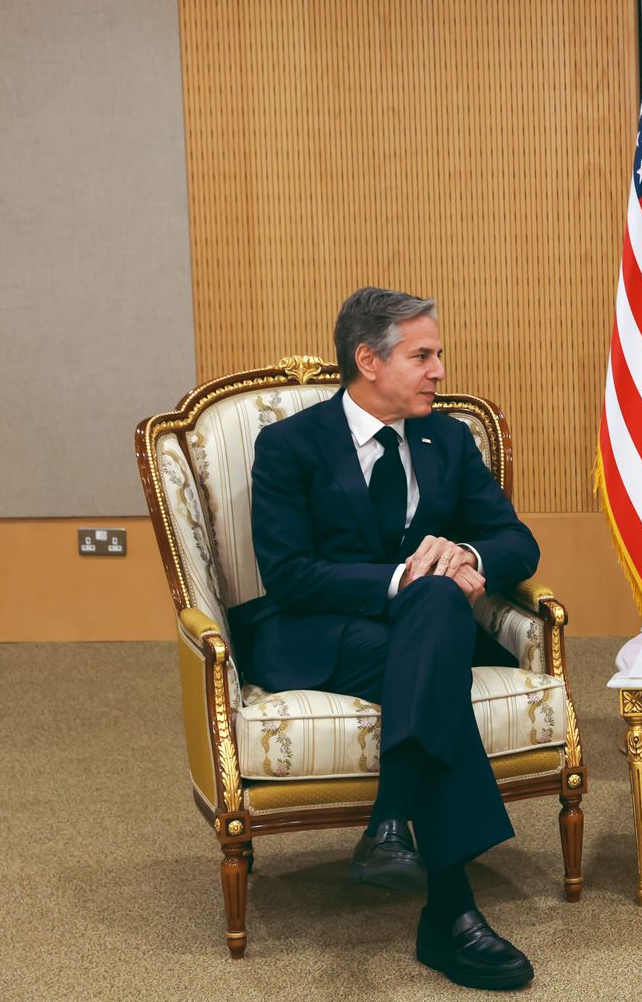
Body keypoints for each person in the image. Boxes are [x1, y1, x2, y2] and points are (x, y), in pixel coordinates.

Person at [236, 286, 540, 991]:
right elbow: (289, 576)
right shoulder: (289, 445)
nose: (439, 371)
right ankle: (450, 911)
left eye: (439, 356)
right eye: (423, 356)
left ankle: (392, 820)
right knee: (429, 623)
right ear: (368, 360)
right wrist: (403, 575)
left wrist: (468, 556)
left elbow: (516, 541)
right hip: (318, 634)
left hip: (418, 634)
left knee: (437, 596)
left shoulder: (448, 439)